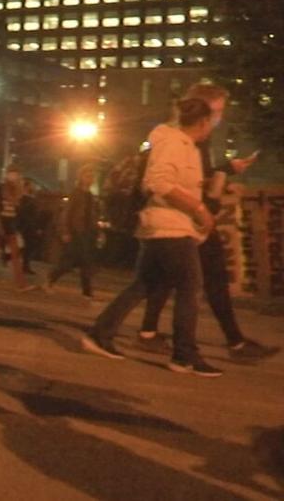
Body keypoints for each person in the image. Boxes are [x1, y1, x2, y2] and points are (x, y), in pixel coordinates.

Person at [82, 97, 223, 377]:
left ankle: (101, 333)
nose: (216, 124)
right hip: (168, 228)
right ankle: (184, 355)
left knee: (144, 284)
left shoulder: (185, 146)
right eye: (216, 117)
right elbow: (157, 182)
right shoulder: (174, 142)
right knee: (190, 286)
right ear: (204, 121)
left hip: (164, 226)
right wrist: (199, 209)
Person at [136, 83, 277, 362]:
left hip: (186, 217)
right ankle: (202, 349)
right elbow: (162, 180)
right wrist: (201, 208)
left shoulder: (189, 137)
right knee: (206, 279)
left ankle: (148, 334)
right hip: (183, 218)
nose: (220, 118)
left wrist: (224, 172)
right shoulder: (182, 137)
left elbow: (196, 176)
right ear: (203, 109)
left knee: (162, 278)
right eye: (218, 111)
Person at [46, 164, 99, 298]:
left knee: (85, 261)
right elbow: (67, 213)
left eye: (92, 176)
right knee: (70, 261)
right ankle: (51, 278)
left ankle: (87, 291)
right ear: (81, 177)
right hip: (76, 231)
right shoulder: (76, 194)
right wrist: (65, 231)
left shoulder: (91, 196)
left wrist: (96, 230)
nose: (90, 178)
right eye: (87, 176)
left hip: (87, 232)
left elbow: (93, 215)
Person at [0, 167, 32, 290]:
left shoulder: (18, 190)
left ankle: (20, 284)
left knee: (15, 254)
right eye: (11, 173)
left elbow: (17, 209)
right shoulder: (1, 188)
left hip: (10, 223)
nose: (14, 176)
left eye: (16, 174)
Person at [17, 178, 42, 275]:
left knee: (28, 246)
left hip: (28, 226)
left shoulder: (27, 199)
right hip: (27, 226)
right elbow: (26, 214)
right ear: (27, 187)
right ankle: (24, 265)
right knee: (28, 246)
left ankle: (24, 265)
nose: (33, 187)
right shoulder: (26, 199)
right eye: (31, 185)